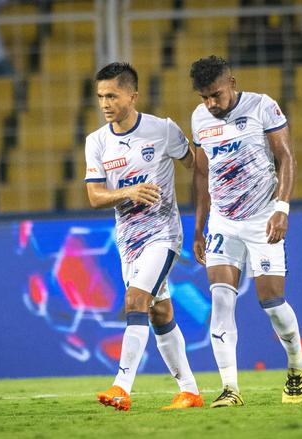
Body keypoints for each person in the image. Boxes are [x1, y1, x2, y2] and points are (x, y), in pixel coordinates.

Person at [85, 62, 203, 411]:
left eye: (112, 95)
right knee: (159, 312)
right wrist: (128, 192)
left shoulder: (162, 130)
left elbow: (195, 165)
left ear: (132, 95)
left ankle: (121, 386)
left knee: (136, 300)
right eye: (100, 97)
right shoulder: (97, 142)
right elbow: (94, 196)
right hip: (127, 239)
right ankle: (190, 391)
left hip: (163, 234)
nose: (105, 104)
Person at [189, 55, 302, 407]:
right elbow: (201, 174)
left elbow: (287, 158)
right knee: (221, 300)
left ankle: (297, 365)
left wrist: (281, 209)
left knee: (271, 302)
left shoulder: (262, 107)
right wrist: (198, 228)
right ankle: (230, 389)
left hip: (262, 218)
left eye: (216, 95)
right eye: (203, 97)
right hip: (223, 222)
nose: (210, 104)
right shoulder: (199, 119)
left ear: (233, 84)